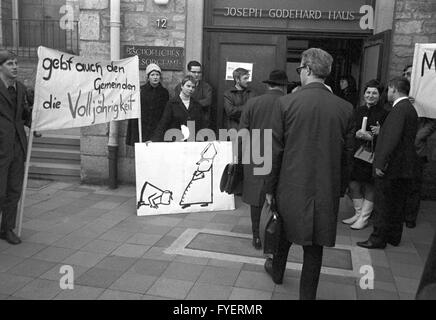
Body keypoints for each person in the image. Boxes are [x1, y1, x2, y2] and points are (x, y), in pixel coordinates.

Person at [264, 48, 354, 299]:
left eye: (300, 69)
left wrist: (269, 189)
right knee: (314, 249)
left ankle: (277, 272)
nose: (300, 73)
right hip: (325, 189)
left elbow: (274, 152)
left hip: (289, 186)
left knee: (283, 234)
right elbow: (348, 156)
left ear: (309, 69)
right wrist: (340, 189)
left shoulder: (286, 103)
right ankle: (307, 296)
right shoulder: (345, 108)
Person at [357, 77, 419, 249]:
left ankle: (377, 238)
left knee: (383, 203)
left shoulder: (398, 109)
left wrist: (380, 164)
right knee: (397, 203)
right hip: (403, 166)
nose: (387, 93)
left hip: (392, 166)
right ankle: (393, 236)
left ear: (393, 89)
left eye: (388, 90)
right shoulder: (409, 108)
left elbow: (391, 139)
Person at [238, 69, 290, 250]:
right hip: (282, 154)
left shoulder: (252, 103)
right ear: (284, 86)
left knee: (256, 198)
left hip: (255, 152)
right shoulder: (289, 102)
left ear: (268, 84)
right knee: (279, 196)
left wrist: (241, 157)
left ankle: (257, 236)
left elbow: (242, 133)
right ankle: (275, 235)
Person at [342, 80, 389, 230]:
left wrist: (376, 135)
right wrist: (354, 133)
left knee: (370, 185)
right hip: (356, 153)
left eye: (374, 93)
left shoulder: (385, 114)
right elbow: (348, 129)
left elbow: (389, 135)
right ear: (364, 94)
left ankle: (364, 217)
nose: (370, 95)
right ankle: (358, 213)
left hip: (372, 155)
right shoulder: (357, 110)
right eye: (368, 92)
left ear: (379, 95)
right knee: (353, 183)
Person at [0, 50, 32, 245]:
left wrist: (34, 120)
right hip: (1, 146)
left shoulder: (20, 88)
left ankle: (7, 228)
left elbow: (24, 115)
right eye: (10, 63)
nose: (15, 67)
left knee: (14, 189)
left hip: (18, 146)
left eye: (16, 63)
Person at [402, 64, 436, 229]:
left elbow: (432, 122)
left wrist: (416, 138)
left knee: (414, 185)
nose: (408, 77)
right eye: (406, 74)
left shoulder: (427, 95)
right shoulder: (400, 94)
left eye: (411, 74)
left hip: (416, 149)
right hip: (400, 149)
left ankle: (410, 217)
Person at [126, 63, 169, 146]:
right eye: (152, 75)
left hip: (156, 127)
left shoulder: (164, 92)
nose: (155, 77)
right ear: (148, 77)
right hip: (142, 127)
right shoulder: (141, 91)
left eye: (157, 75)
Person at [151, 75, 205, 142]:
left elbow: (201, 125)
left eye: (193, 87)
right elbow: (163, 122)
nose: (191, 89)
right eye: (188, 86)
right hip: (175, 141)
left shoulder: (197, 105)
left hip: (191, 142)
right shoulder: (171, 103)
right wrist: (154, 140)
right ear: (182, 86)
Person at [174, 61, 213, 128]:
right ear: (188, 72)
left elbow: (207, 101)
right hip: (183, 123)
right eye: (194, 72)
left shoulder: (206, 87)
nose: (197, 75)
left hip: (201, 122)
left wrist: (189, 103)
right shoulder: (179, 87)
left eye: (199, 72)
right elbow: (178, 103)